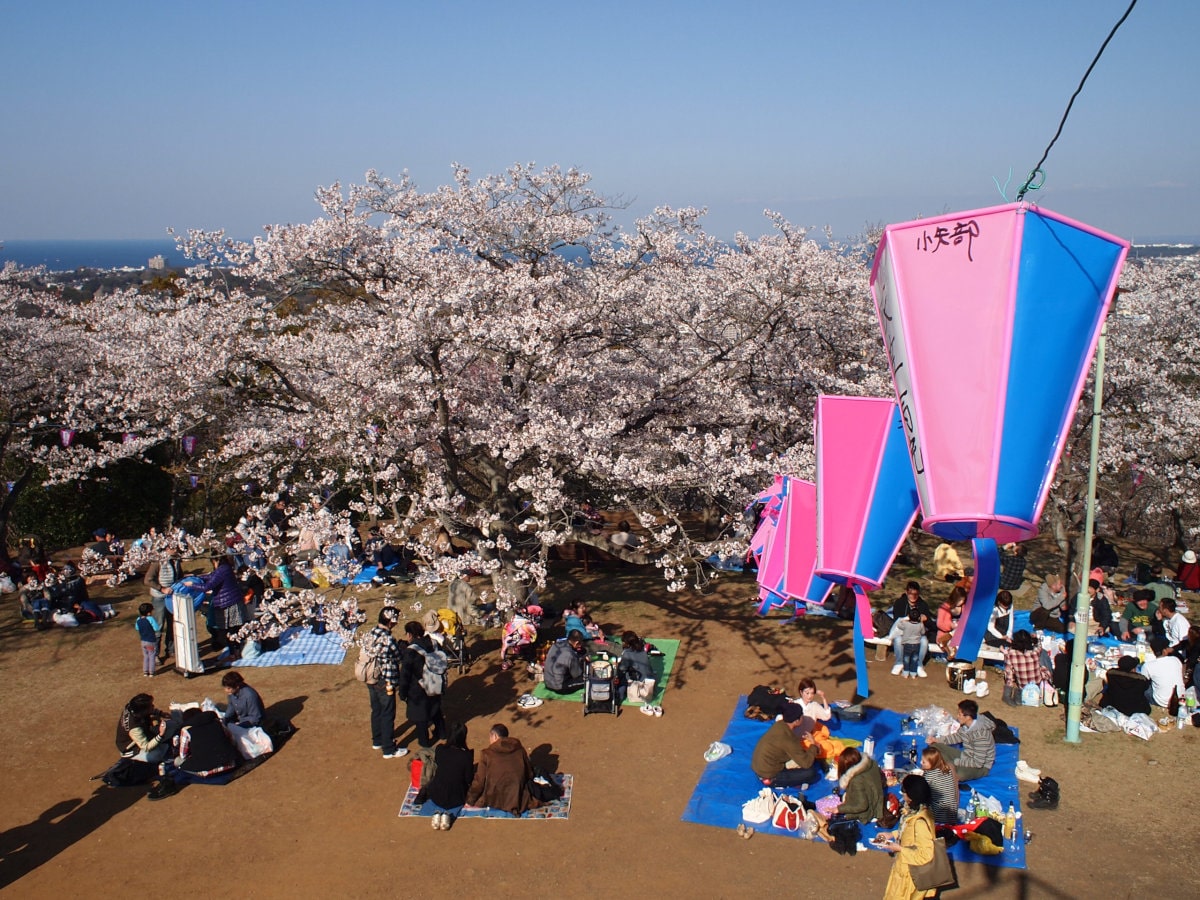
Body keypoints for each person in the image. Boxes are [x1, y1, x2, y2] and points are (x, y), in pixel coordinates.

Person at [878, 774, 938, 900]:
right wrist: (892, 834)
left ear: (911, 795)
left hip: (910, 875)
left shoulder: (920, 822)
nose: (902, 794)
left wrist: (899, 848)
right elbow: (909, 831)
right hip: (904, 869)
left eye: (903, 791)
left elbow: (926, 854)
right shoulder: (918, 811)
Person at [464, 723, 538, 817]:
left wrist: (470, 800)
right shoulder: (519, 748)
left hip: (494, 798)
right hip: (517, 796)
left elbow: (479, 781)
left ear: (494, 736)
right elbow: (529, 772)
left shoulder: (486, 754)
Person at [416, 721, 474, 830]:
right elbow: (468, 778)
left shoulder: (440, 749)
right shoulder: (466, 756)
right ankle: (447, 816)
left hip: (437, 794)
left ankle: (438, 814)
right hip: (456, 797)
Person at [365, 607, 407, 759]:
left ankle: (377, 740)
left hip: (371, 677)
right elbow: (398, 657)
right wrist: (402, 648)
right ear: (390, 621)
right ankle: (389, 749)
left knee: (376, 710)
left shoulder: (370, 633)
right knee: (388, 713)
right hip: (386, 680)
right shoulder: (388, 639)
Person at [398, 621, 446, 749]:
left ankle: (424, 742)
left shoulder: (411, 651)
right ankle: (442, 733)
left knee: (421, 717)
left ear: (409, 634)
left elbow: (405, 675)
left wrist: (402, 693)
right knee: (436, 710)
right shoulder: (434, 643)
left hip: (418, 689)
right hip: (436, 683)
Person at [749, 704, 821, 787]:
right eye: (802, 716)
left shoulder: (779, 725)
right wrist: (813, 745)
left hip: (759, 766)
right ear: (797, 721)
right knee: (810, 772)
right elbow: (806, 763)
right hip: (769, 775)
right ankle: (774, 782)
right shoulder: (789, 740)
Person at [931, 699, 994, 782]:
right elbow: (958, 736)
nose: (957, 716)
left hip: (980, 766)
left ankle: (948, 766)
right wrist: (937, 740)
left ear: (968, 717)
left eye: (960, 714)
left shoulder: (981, 737)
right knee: (934, 745)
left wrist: (957, 762)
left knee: (959, 775)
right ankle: (948, 766)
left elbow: (978, 763)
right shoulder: (966, 725)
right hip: (967, 755)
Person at [144, 544, 181, 661]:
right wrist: (161, 588)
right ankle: (155, 654)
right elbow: (148, 579)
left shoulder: (176, 561)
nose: (176, 550)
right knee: (158, 626)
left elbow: (180, 575)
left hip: (172, 596)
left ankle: (171, 649)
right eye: (173, 548)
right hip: (159, 597)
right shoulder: (158, 562)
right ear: (166, 549)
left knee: (172, 623)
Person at [199, 556, 245, 651]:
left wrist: (192, 584)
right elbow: (211, 576)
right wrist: (197, 578)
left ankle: (234, 651)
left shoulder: (222, 570)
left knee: (230, 628)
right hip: (229, 601)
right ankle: (234, 649)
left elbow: (207, 586)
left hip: (228, 603)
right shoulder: (225, 568)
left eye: (214, 562)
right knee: (231, 628)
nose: (214, 564)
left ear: (217, 560)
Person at [830, 746, 885, 824]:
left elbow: (862, 806)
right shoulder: (871, 763)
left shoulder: (856, 781)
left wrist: (839, 809)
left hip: (868, 812)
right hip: (877, 800)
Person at [116, 693, 173, 763]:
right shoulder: (134, 728)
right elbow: (146, 747)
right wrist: (161, 734)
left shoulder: (131, 707)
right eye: (150, 706)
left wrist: (160, 713)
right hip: (132, 749)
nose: (153, 706)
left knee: (171, 725)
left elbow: (147, 710)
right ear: (143, 711)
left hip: (143, 733)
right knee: (157, 755)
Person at [889, 582, 931, 677]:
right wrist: (908, 619)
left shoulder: (923, 604)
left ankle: (918, 664)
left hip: (917, 633)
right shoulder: (900, 603)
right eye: (910, 594)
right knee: (898, 640)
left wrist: (925, 619)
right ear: (906, 592)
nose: (913, 596)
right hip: (903, 632)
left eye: (916, 594)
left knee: (924, 641)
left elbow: (929, 623)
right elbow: (897, 621)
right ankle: (899, 663)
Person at [1001, 630, 1051, 705]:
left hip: (1022, 686)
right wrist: (1035, 639)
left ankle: (1008, 695)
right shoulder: (1035, 652)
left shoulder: (1010, 654)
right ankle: (1050, 682)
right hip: (1037, 685)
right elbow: (1039, 646)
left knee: (1011, 669)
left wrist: (1003, 649)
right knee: (1043, 654)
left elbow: (1009, 674)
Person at [1141, 637, 1185, 710]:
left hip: (1160, 701)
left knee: (1145, 688)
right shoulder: (1175, 660)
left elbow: (1142, 682)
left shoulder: (1148, 665)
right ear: (1164, 651)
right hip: (1180, 699)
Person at [919, 747, 959, 825]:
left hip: (939, 815)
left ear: (932, 763)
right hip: (952, 812)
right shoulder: (946, 769)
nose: (921, 762)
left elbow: (922, 790)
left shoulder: (929, 776)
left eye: (924, 762)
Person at [543, 630, 588, 694]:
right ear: (576, 643)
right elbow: (577, 674)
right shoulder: (570, 654)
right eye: (580, 643)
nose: (580, 646)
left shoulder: (556, 644)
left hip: (547, 681)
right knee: (586, 679)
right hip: (559, 687)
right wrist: (582, 660)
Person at [616, 630, 652, 703]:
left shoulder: (627, 653)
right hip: (649, 677)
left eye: (623, 642)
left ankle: (619, 696)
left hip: (639, 680)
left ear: (627, 643)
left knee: (620, 676)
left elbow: (622, 668)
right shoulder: (642, 648)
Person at [895, 609, 926, 679]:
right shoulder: (920, 624)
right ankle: (913, 673)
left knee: (906, 658)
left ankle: (905, 673)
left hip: (907, 644)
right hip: (916, 644)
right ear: (919, 617)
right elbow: (923, 632)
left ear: (909, 616)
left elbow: (899, 625)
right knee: (915, 659)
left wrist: (903, 620)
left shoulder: (906, 624)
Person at [935, 587, 967, 656]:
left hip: (959, 633)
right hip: (945, 633)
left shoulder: (964, 607)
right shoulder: (944, 608)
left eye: (963, 600)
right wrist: (950, 625)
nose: (961, 602)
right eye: (960, 600)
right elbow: (939, 624)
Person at [134, 602, 161, 677]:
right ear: (149, 613)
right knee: (152, 656)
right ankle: (151, 672)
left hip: (143, 641)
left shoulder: (138, 619)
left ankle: (145, 671)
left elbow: (137, 628)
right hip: (151, 641)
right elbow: (156, 628)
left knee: (145, 656)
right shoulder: (150, 619)